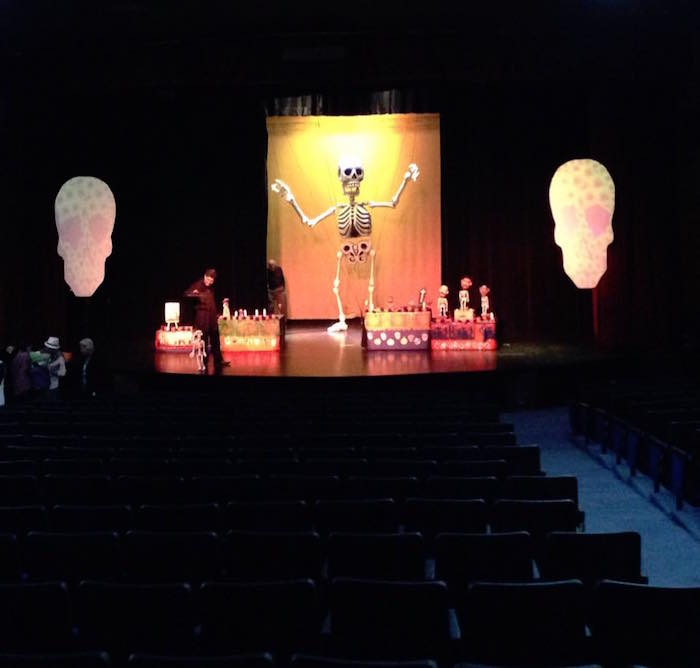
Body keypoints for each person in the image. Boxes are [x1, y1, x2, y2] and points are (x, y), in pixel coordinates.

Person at [184, 268, 229, 371]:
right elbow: (187, 293)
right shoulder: (198, 285)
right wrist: (194, 293)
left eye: (211, 281)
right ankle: (204, 362)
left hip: (212, 316)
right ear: (205, 276)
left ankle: (218, 361)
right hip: (202, 317)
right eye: (208, 280)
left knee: (215, 339)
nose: (209, 282)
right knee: (203, 339)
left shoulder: (212, 287)